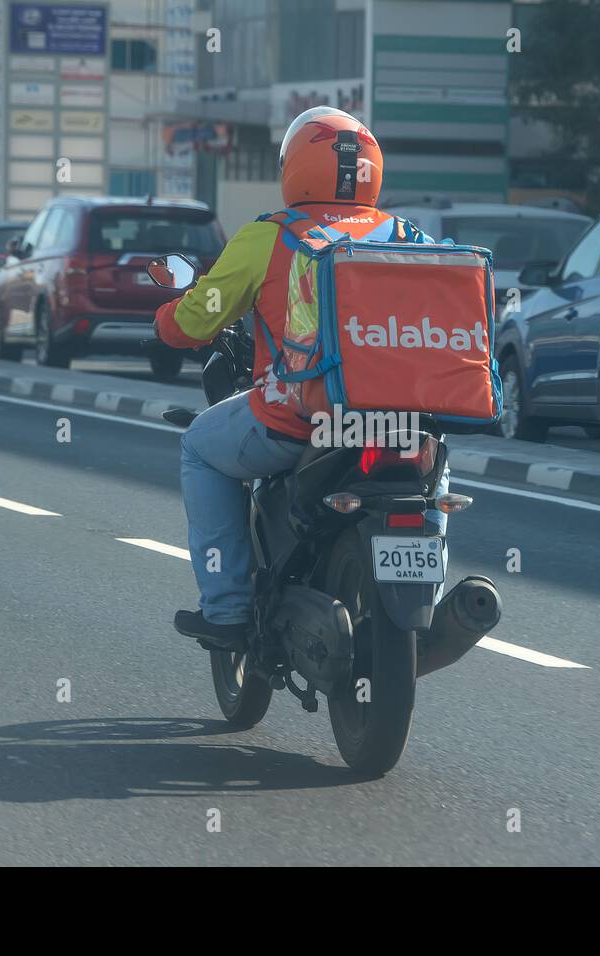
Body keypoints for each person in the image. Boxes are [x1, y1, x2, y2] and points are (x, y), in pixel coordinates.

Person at [153, 107, 436, 651]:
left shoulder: (270, 236)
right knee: (430, 479)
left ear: (296, 166)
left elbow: (196, 318)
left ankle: (228, 608)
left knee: (198, 449)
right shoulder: (407, 235)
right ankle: (431, 584)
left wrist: (167, 320)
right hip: (402, 422)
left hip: (297, 419)